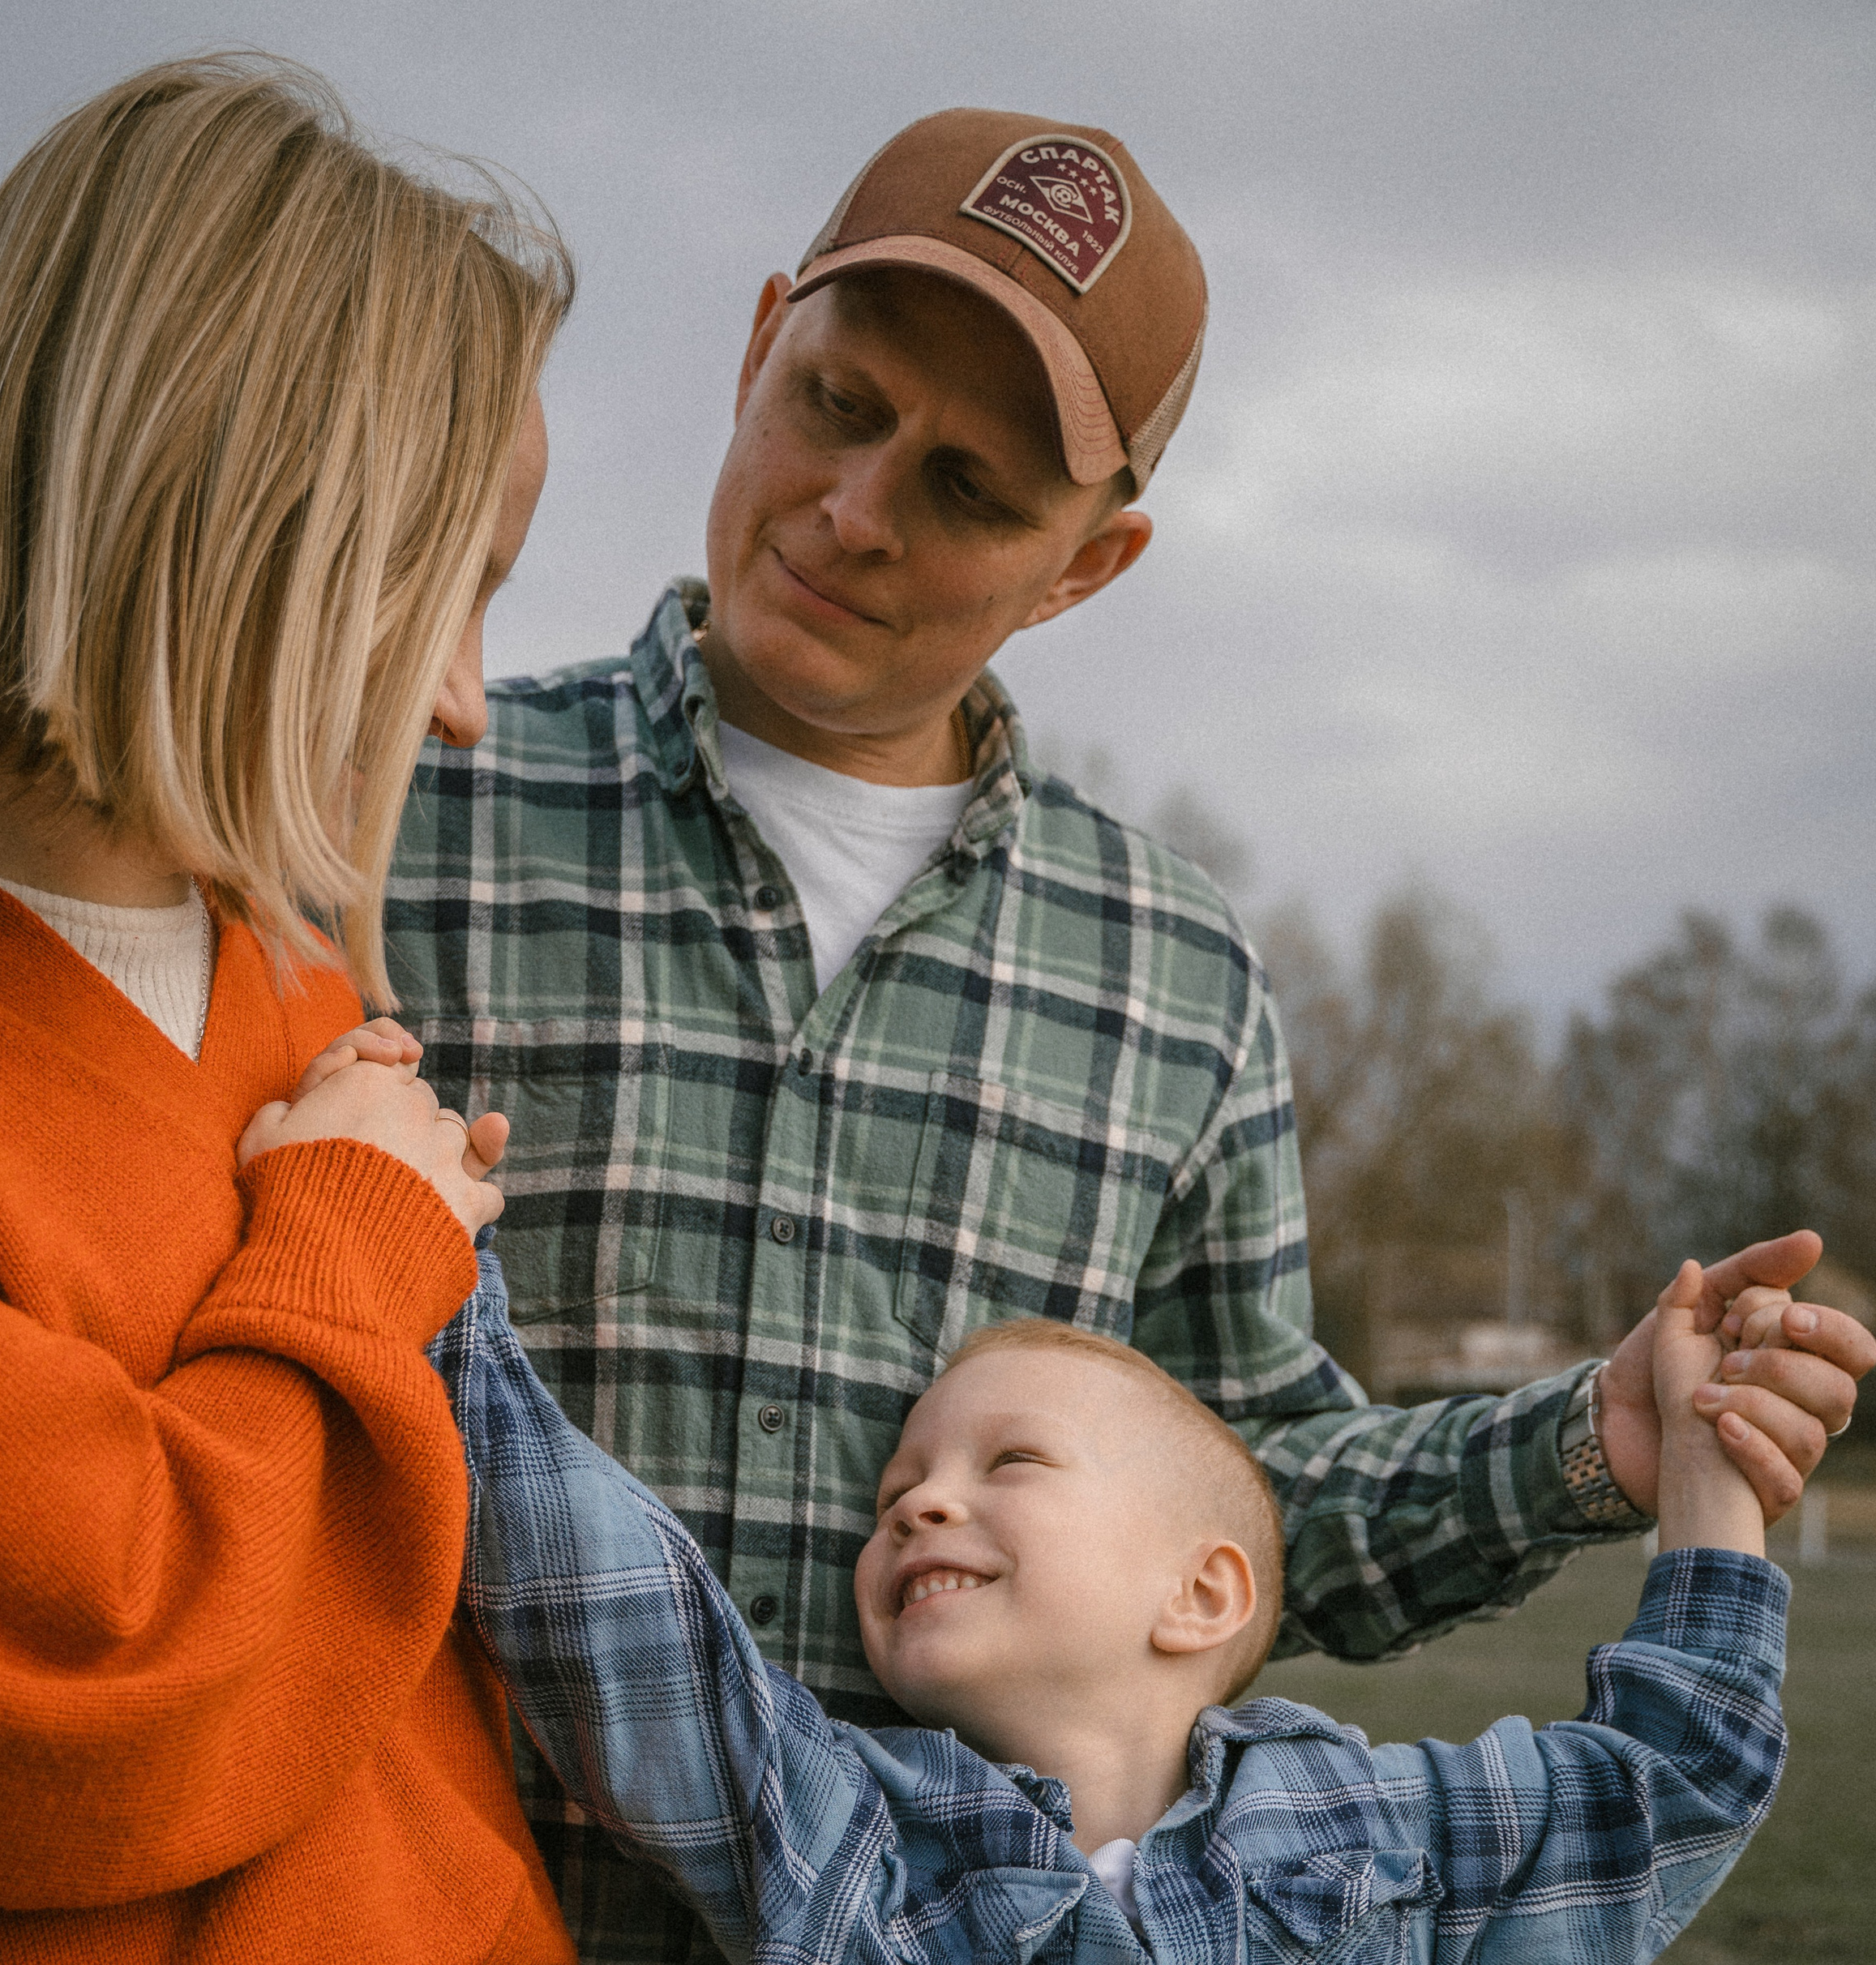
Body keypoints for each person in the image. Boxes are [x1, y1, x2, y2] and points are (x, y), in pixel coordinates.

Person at [383, 107, 1870, 1961]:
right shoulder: (395, 794)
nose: (853, 510)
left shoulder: (1167, 971)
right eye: (837, 404)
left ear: (1089, 562)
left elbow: (1242, 1506)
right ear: (758, 337)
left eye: (968, 490)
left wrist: (1595, 1445)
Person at [0, 55, 578, 1963]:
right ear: (247, 532)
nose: (468, 702)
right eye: (445, 592)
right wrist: (346, 1254)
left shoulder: (306, 1006)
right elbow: (82, 1673)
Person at [440, 1245, 1788, 1964]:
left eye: (1007, 1461)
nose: (915, 1505)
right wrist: (440, 1277)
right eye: (894, 1493)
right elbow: (612, 1618)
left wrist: (1706, 1459)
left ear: (1200, 1594)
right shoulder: (845, 1833)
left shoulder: (1380, 1834)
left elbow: (1671, 1785)